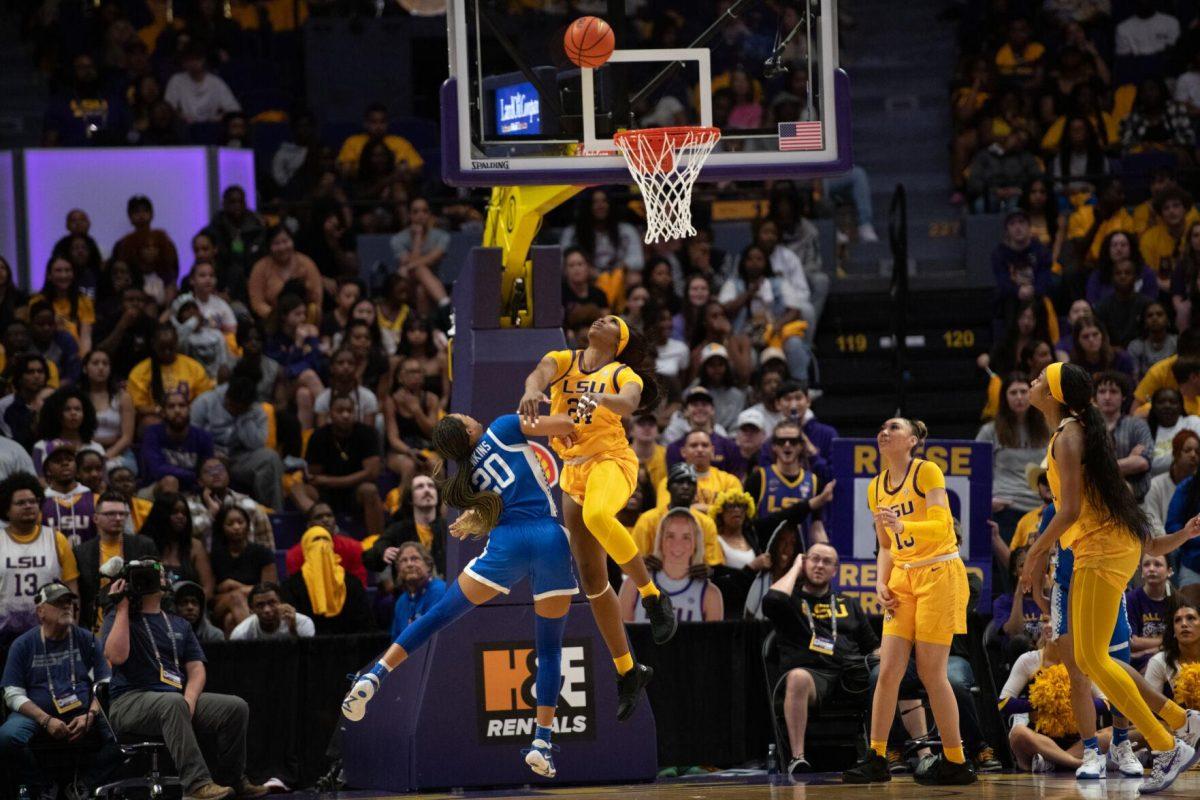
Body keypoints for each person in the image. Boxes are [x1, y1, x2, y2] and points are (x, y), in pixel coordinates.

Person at [342, 412, 581, 779]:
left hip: (507, 546)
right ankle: (541, 743)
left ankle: (374, 675)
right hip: (547, 539)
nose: (469, 414)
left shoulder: (466, 475)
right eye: (463, 417)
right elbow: (565, 426)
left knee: (437, 616)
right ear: (469, 430)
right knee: (549, 649)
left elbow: (492, 507)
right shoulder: (501, 425)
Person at [1020, 361, 1200, 792]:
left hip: (1102, 552)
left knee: (1096, 659)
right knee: (1086, 658)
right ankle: (1180, 721)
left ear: (1055, 394)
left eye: (1041, 379)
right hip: (1102, 549)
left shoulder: (1068, 435)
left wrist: (1033, 556)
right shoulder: (1071, 433)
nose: (1032, 382)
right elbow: (1106, 507)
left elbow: (1069, 511)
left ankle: (1166, 744)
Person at [519, 315, 676, 715]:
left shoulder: (622, 372)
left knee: (598, 515)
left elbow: (629, 402)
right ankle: (628, 670)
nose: (600, 319)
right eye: (600, 317)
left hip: (613, 461)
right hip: (574, 472)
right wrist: (532, 391)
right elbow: (540, 372)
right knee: (592, 581)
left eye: (612, 321)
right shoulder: (564, 359)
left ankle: (652, 597)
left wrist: (603, 399)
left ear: (619, 340)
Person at [842, 418, 975, 785]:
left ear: (912, 440)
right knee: (888, 672)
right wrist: (880, 582)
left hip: (939, 572)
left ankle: (955, 760)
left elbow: (941, 524)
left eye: (894, 427)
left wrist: (905, 527)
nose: (884, 431)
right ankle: (877, 757)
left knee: (933, 673)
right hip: (903, 576)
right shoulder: (875, 487)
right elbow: (885, 546)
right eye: (881, 427)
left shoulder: (926, 471)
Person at [101, 563, 265, 800]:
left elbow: (196, 668)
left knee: (235, 708)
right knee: (172, 703)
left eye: (157, 575)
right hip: (129, 701)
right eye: (145, 576)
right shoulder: (118, 617)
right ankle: (196, 786)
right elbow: (116, 657)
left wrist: (189, 699)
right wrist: (123, 606)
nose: (153, 579)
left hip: (175, 700)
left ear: (166, 582)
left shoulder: (178, 623)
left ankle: (233, 779)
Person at [763, 542, 878, 775]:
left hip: (851, 674)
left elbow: (872, 647)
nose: (819, 565)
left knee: (894, 670)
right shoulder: (790, 601)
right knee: (797, 677)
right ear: (805, 563)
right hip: (814, 677)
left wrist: (889, 658)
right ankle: (797, 758)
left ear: (835, 570)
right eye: (814, 559)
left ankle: (908, 755)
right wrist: (795, 566)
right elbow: (773, 599)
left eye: (827, 562)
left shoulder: (849, 603)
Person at [0, 582, 121, 798]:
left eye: (69, 602)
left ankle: (85, 784)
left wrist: (91, 714)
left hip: (85, 710)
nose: (67, 607)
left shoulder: (87, 639)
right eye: (58, 602)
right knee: (8, 736)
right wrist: (45, 719)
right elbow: (12, 693)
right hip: (38, 713)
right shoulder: (23, 644)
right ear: (40, 611)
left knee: (122, 730)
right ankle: (41, 785)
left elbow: (104, 682)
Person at [1000, 616, 1112, 773]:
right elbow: (1003, 703)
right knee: (1018, 733)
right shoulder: (1028, 660)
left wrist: (1071, 704)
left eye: (1058, 621)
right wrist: (1041, 703)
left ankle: (1051, 763)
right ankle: (1078, 764)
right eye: (1045, 621)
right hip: (1039, 741)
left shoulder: (1082, 662)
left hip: (1078, 740)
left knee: (1110, 735)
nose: (1049, 626)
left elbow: (1106, 703)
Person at [0, 473, 80, 653]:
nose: (29, 506)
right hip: (4, 637)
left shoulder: (56, 538)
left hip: (51, 633)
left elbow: (72, 587)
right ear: (6, 509)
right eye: (21, 503)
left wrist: (72, 626)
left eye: (33, 501)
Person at [295, 393, 385, 537]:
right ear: (330, 413)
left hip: (355, 492)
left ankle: (377, 542)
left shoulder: (367, 433)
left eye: (349, 411)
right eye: (340, 411)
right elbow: (314, 477)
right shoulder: (319, 436)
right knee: (298, 488)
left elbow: (372, 473)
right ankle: (322, 532)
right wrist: (325, 481)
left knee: (370, 490)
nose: (345, 415)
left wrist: (329, 481)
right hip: (326, 495)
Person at [189, 378, 285, 511]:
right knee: (212, 465)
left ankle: (272, 513)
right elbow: (191, 438)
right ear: (227, 397)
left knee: (270, 458)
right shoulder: (205, 402)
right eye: (232, 406)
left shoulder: (255, 410)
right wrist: (212, 455)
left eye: (240, 408)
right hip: (209, 456)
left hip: (239, 457)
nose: (234, 410)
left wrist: (244, 418)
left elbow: (257, 444)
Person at [976, 373, 1052, 541]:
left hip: (1042, 506)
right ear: (1005, 397)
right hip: (1006, 507)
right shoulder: (990, 430)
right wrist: (987, 500)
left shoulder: (1049, 427)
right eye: (1013, 392)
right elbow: (976, 471)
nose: (1019, 397)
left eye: (1024, 391)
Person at [619, 508, 722, 623]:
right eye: (670, 536)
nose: (677, 544)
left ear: (696, 544)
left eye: (686, 537)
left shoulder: (710, 594)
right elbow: (622, 636)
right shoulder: (633, 585)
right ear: (660, 541)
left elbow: (714, 640)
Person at [74, 492, 157, 633]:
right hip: (94, 630)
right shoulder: (81, 552)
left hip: (137, 627)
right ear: (96, 518)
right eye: (110, 514)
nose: (118, 518)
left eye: (122, 514)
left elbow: (156, 584)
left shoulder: (143, 545)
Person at [744, 418, 829, 544]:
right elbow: (747, 523)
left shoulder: (814, 482)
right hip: (765, 554)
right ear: (774, 446)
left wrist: (825, 548)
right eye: (781, 441)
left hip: (801, 557)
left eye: (793, 441)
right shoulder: (758, 479)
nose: (787, 445)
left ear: (801, 446)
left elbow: (816, 527)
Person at [631, 463, 723, 566]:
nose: (685, 487)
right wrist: (643, 562)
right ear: (668, 487)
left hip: (695, 581)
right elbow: (632, 561)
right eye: (679, 482)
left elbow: (714, 563)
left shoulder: (706, 523)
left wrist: (708, 570)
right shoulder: (648, 520)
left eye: (690, 483)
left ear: (696, 489)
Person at [128, 323, 216, 429]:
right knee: (149, 422)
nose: (167, 352)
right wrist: (161, 410)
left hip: (188, 417)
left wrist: (182, 411)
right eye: (162, 348)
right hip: (158, 419)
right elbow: (139, 406)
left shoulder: (194, 367)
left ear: (177, 343)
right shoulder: (140, 372)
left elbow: (203, 399)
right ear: (153, 344)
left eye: (171, 348)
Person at [209, 505, 276, 635]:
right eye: (230, 523)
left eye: (240, 522)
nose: (236, 527)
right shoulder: (214, 556)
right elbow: (210, 595)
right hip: (219, 606)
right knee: (235, 598)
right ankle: (255, 645)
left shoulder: (263, 553)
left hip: (257, 604)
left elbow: (270, 590)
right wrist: (239, 593)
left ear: (248, 525)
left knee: (230, 620)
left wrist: (237, 586)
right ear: (222, 528)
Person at [187, 456, 275, 551]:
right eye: (208, 471)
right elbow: (183, 535)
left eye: (220, 469)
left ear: (228, 476)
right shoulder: (188, 506)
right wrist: (210, 514)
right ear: (200, 481)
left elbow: (267, 549)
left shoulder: (249, 505)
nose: (215, 473)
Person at [367, 475, 447, 577]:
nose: (427, 490)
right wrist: (383, 552)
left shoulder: (451, 528)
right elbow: (370, 557)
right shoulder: (398, 529)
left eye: (431, 486)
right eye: (420, 487)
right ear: (410, 498)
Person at [1094, 371, 1154, 501]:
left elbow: (1142, 462)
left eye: (1114, 391)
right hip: (1095, 499)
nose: (1107, 397)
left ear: (1124, 397)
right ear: (1095, 398)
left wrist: (1100, 470)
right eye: (1102, 391)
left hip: (1134, 500)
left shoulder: (1137, 425)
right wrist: (1128, 463)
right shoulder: (1087, 428)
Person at [141, 391, 215, 495]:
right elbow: (156, 469)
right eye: (171, 406)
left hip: (192, 491)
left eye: (182, 405)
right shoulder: (152, 433)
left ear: (189, 409)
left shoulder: (203, 437)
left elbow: (207, 470)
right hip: (155, 490)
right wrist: (192, 475)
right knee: (170, 481)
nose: (177, 410)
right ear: (163, 412)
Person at [247, 226, 323, 322]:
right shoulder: (260, 268)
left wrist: (302, 316)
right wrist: (279, 318)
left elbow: (317, 297)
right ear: (269, 246)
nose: (282, 247)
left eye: (285, 241)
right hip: (273, 322)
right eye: (276, 243)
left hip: (305, 319)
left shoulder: (306, 263)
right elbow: (257, 303)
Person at [656, 430, 743, 511]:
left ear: (712, 451)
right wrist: (715, 510)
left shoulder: (730, 481)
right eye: (694, 445)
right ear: (683, 452)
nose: (700, 450)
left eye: (705, 445)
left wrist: (692, 508)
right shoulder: (669, 482)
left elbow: (734, 513)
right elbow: (667, 513)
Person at [285, 503, 367, 586]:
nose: (325, 519)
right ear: (309, 525)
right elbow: (296, 589)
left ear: (335, 521)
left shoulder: (354, 547)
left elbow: (359, 585)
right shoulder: (295, 554)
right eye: (318, 517)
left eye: (329, 515)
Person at [163, 46, 240, 124]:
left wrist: (219, 118)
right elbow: (168, 107)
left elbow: (233, 108)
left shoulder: (216, 82)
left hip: (211, 126)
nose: (193, 63)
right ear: (183, 62)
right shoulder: (176, 80)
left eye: (196, 59)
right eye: (189, 59)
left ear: (203, 60)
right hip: (185, 126)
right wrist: (181, 117)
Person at [387, 542, 446, 639]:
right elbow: (395, 641)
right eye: (404, 560)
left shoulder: (440, 591)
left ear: (428, 565)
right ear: (398, 569)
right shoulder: (401, 602)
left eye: (415, 559)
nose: (409, 564)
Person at [1146, 430, 1200, 535]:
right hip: (1164, 545)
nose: (1193, 455)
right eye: (1187, 450)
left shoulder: (1196, 485)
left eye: (1198, 452)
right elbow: (1153, 523)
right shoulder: (1155, 486)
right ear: (1175, 453)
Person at [41, 444, 97, 546]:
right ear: (47, 470)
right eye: (58, 461)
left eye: (69, 459)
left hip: (88, 560)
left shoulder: (95, 498)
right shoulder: (40, 502)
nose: (65, 463)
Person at [1128, 554, 1174, 671]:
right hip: (1139, 661)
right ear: (1142, 572)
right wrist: (1167, 642)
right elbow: (1133, 642)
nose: (1151, 569)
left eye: (1157, 564)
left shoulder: (1176, 600)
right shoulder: (1131, 599)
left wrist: (1152, 648)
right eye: (1146, 565)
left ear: (1169, 571)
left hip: (1170, 656)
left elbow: (1182, 640)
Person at [1145, 600, 1200, 697]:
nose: (1184, 624)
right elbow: (1149, 708)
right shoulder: (1159, 662)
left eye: (1190, 618)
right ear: (1173, 630)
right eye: (1178, 620)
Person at [230, 582, 315, 640]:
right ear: (251, 610)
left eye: (272, 603)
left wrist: (293, 630)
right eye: (260, 605)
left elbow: (307, 659)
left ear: (281, 603)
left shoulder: (303, 623)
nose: (267, 610)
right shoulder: (241, 634)